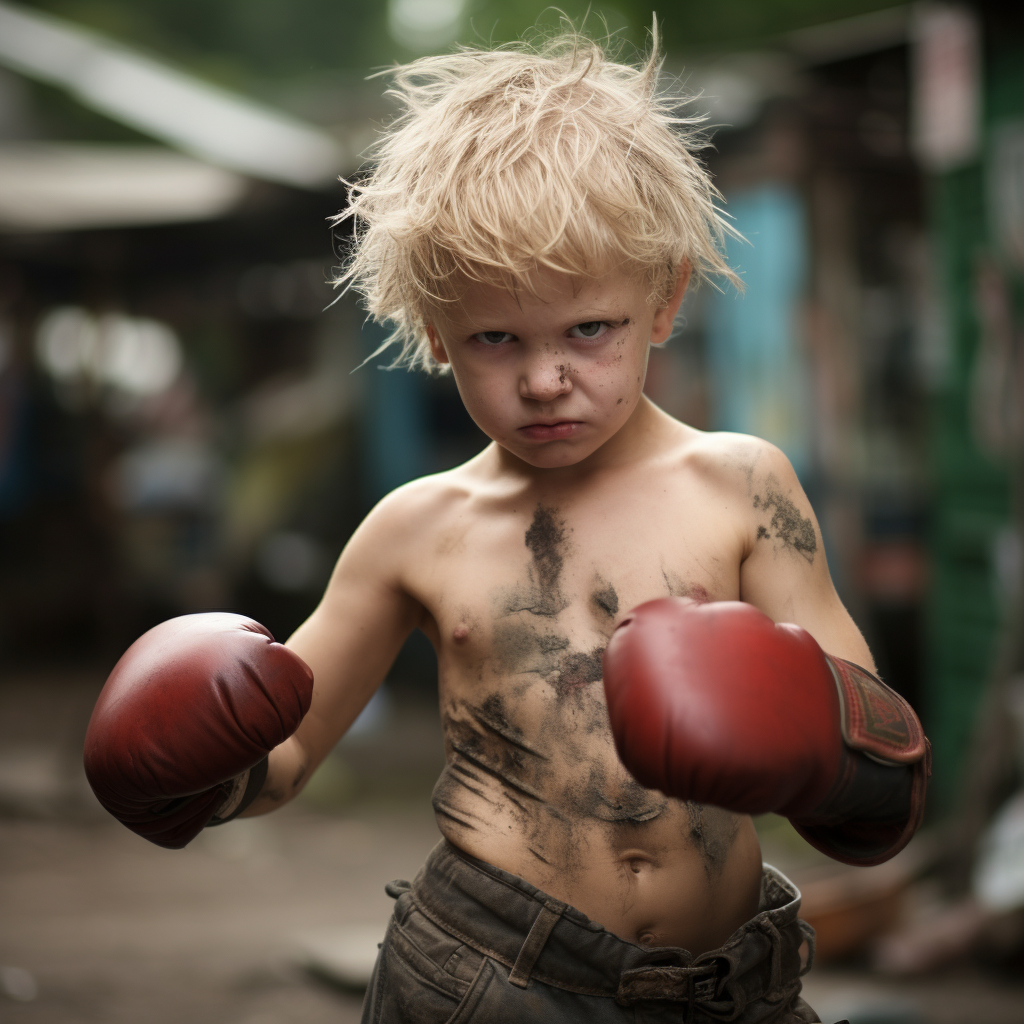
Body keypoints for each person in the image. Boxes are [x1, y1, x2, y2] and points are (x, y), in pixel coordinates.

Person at [82, 24, 930, 1024]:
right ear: (438, 336)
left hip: (734, 989)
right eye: (495, 338)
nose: (542, 378)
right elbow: (287, 753)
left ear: (663, 302)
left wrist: (813, 741)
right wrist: (190, 772)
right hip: (489, 976)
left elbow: (879, 766)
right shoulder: (416, 527)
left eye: (588, 329)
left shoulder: (743, 485)